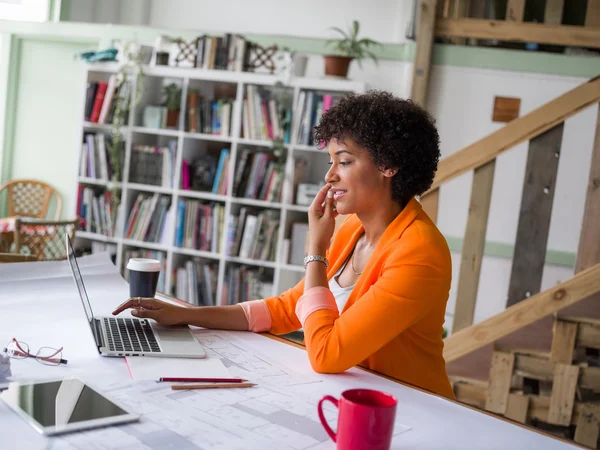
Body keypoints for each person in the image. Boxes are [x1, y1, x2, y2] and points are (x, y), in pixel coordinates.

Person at [113, 91, 454, 399]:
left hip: (410, 410)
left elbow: (326, 353)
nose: (329, 175)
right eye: (331, 161)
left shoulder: (419, 253)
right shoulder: (353, 229)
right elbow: (287, 308)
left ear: (388, 166)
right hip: (349, 396)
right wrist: (187, 316)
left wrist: (316, 251)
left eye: (345, 161)